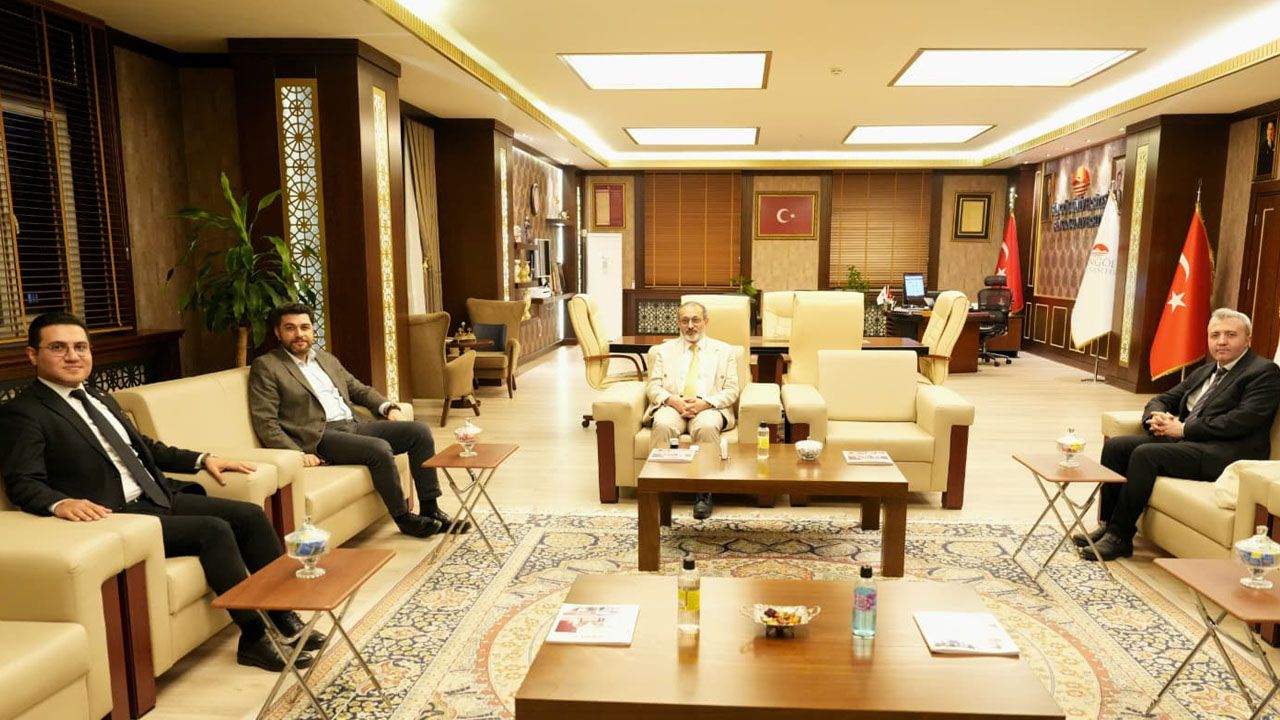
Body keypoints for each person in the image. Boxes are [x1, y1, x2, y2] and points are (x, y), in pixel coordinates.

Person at [0, 312, 322, 671]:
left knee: (249, 515)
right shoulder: (23, 413)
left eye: (80, 347)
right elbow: (22, 481)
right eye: (58, 348)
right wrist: (60, 503)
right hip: (116, 514)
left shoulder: (99, 396)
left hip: (155, 495)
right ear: (33, 355)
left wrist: (203, 459)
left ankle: (282, 614)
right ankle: (254, 637)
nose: (73, 356)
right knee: (213, 530)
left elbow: (146, 448)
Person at [1077, 308, 1280, 561]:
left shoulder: (1264, 372)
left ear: (1248, 339)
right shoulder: (1207, 370)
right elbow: (1164, 398)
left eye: (1230, 335)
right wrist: (1156, 417)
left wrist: (1183, 428)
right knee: (1116, 447)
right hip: (1190, 443)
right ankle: (1108, 525)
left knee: (1146, 454)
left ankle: (1120, 537)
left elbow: (1242, 420)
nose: (1221, 341)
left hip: (1225, 453)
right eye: (1215, 335)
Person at [249, 303, 456, 538]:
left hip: (354, 425)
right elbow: (265, 421)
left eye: (305, 327)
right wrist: (297, 453)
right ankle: (404, 518)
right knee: (379, 448)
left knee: (419, 432)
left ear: (312, 330)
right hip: (320, 436)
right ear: (278, 332)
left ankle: (430, 508)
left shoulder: (325, 359)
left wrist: (388, 407)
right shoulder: (267, 366)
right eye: (290, 328)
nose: (299, 334)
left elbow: (358, 389)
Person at [643, 301, 740, 519]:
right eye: (684, 321)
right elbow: (653, 386)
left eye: (695, 320)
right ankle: (659, 490)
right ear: (678, 323)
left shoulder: (724, 351)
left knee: (707, 426)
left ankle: (704, 493)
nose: (690, 326)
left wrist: (705, 403)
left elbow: (732, 390)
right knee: (663, 424)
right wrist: (673, 400)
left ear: (706, 322)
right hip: (672, 404)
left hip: (708, 405)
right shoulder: (664, 350)